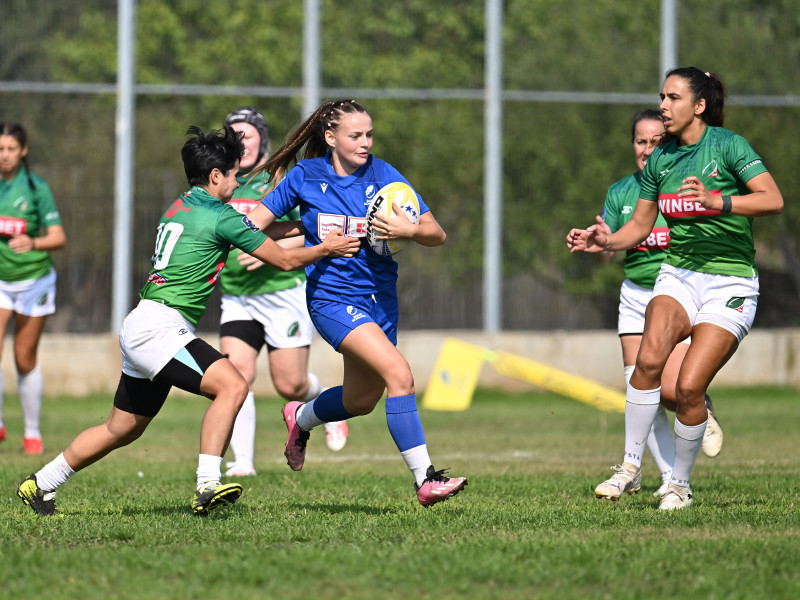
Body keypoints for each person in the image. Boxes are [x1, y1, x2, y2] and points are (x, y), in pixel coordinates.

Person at [17, 125, 359, 517]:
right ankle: (206, 486)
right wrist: (327, 247)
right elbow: (282, 259)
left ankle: (40, 483)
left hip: (143, 322)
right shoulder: (220, 215)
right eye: (233, 174)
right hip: (160, 329)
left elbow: (258, 229)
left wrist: (306, 225)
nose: (237, 181)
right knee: (233, 385)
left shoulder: (182, 206)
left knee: (122, 428)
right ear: (216, 176)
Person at [567, 67, 783, 510]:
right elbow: (640, 225)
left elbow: (772, 199)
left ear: (699, 106)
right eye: (662, 97)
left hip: (730, 281)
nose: (663, 106)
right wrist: (606, 241)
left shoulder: (728, 146)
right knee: (647, 361)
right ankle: (630, 467)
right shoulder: (661, 158)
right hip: (680, 274)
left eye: (673, 98)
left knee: (688, 388)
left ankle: (679, 485)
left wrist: (719, 201)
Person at [247, 99, 468, 507]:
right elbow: (252, 226)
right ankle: (426, 480)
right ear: (331, 137)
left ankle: (300, 417)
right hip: (332, 299)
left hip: (380, 299)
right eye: (355, 135)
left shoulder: (384, 175)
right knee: (400, 375)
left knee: (360, 400)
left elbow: (436, 233)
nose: (365, 142)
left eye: (369, 134)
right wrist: (302, 241)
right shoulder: (306, 176)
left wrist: (408, 229)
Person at [593, 108, 723, 498]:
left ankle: (698, 405)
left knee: (671, 390)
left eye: (655, 141)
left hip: (676, 294)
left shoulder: (681, 186)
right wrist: (602, 242)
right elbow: (609, 250)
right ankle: (667, 479)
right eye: (640, 141)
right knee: (639, 387)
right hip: (636, 296)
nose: (647, 149)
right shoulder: (620, 191)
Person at [219, 107, 348, 478]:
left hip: (282, 294)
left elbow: (310, 229)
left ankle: (327, 407)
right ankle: (243, 462)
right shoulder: (222, 180)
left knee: (290, 384)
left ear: (262, 139)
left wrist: (271, 252)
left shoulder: (278, 178)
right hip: (237, 296)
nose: (240, 142)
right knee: (235, 377)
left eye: (246, 135)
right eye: (233, 136)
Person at [0, 123, 67, 455]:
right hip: (1, 281)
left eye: (11, 149)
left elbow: (59, 237)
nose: (5, 155)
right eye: (0, 149)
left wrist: (33, 242)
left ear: (23, 150)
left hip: (34, 282)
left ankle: (32, 434)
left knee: (23, 358)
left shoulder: (36, 188)